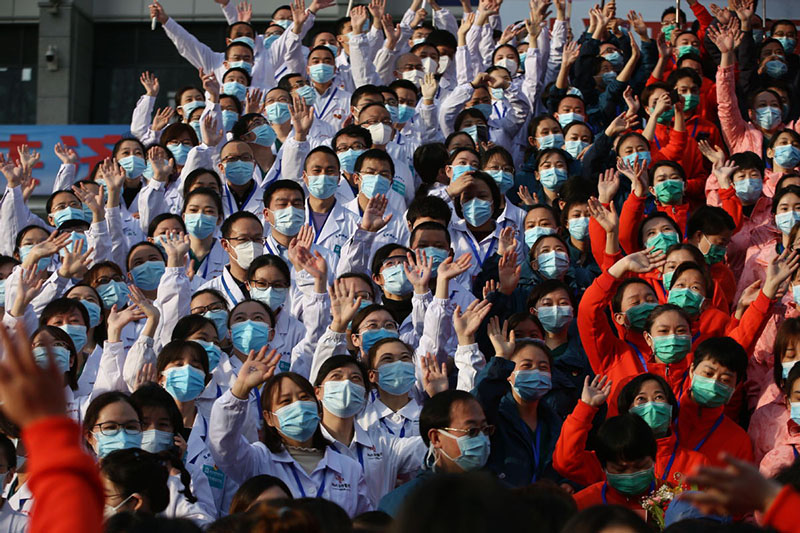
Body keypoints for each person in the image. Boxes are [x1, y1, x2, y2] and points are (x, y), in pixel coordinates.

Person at [377, 390, 491, 516]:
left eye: (485, 429)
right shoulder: (405, 504)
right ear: (436, 438)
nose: (482, 439)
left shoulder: (497, 495)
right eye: (471, 431)